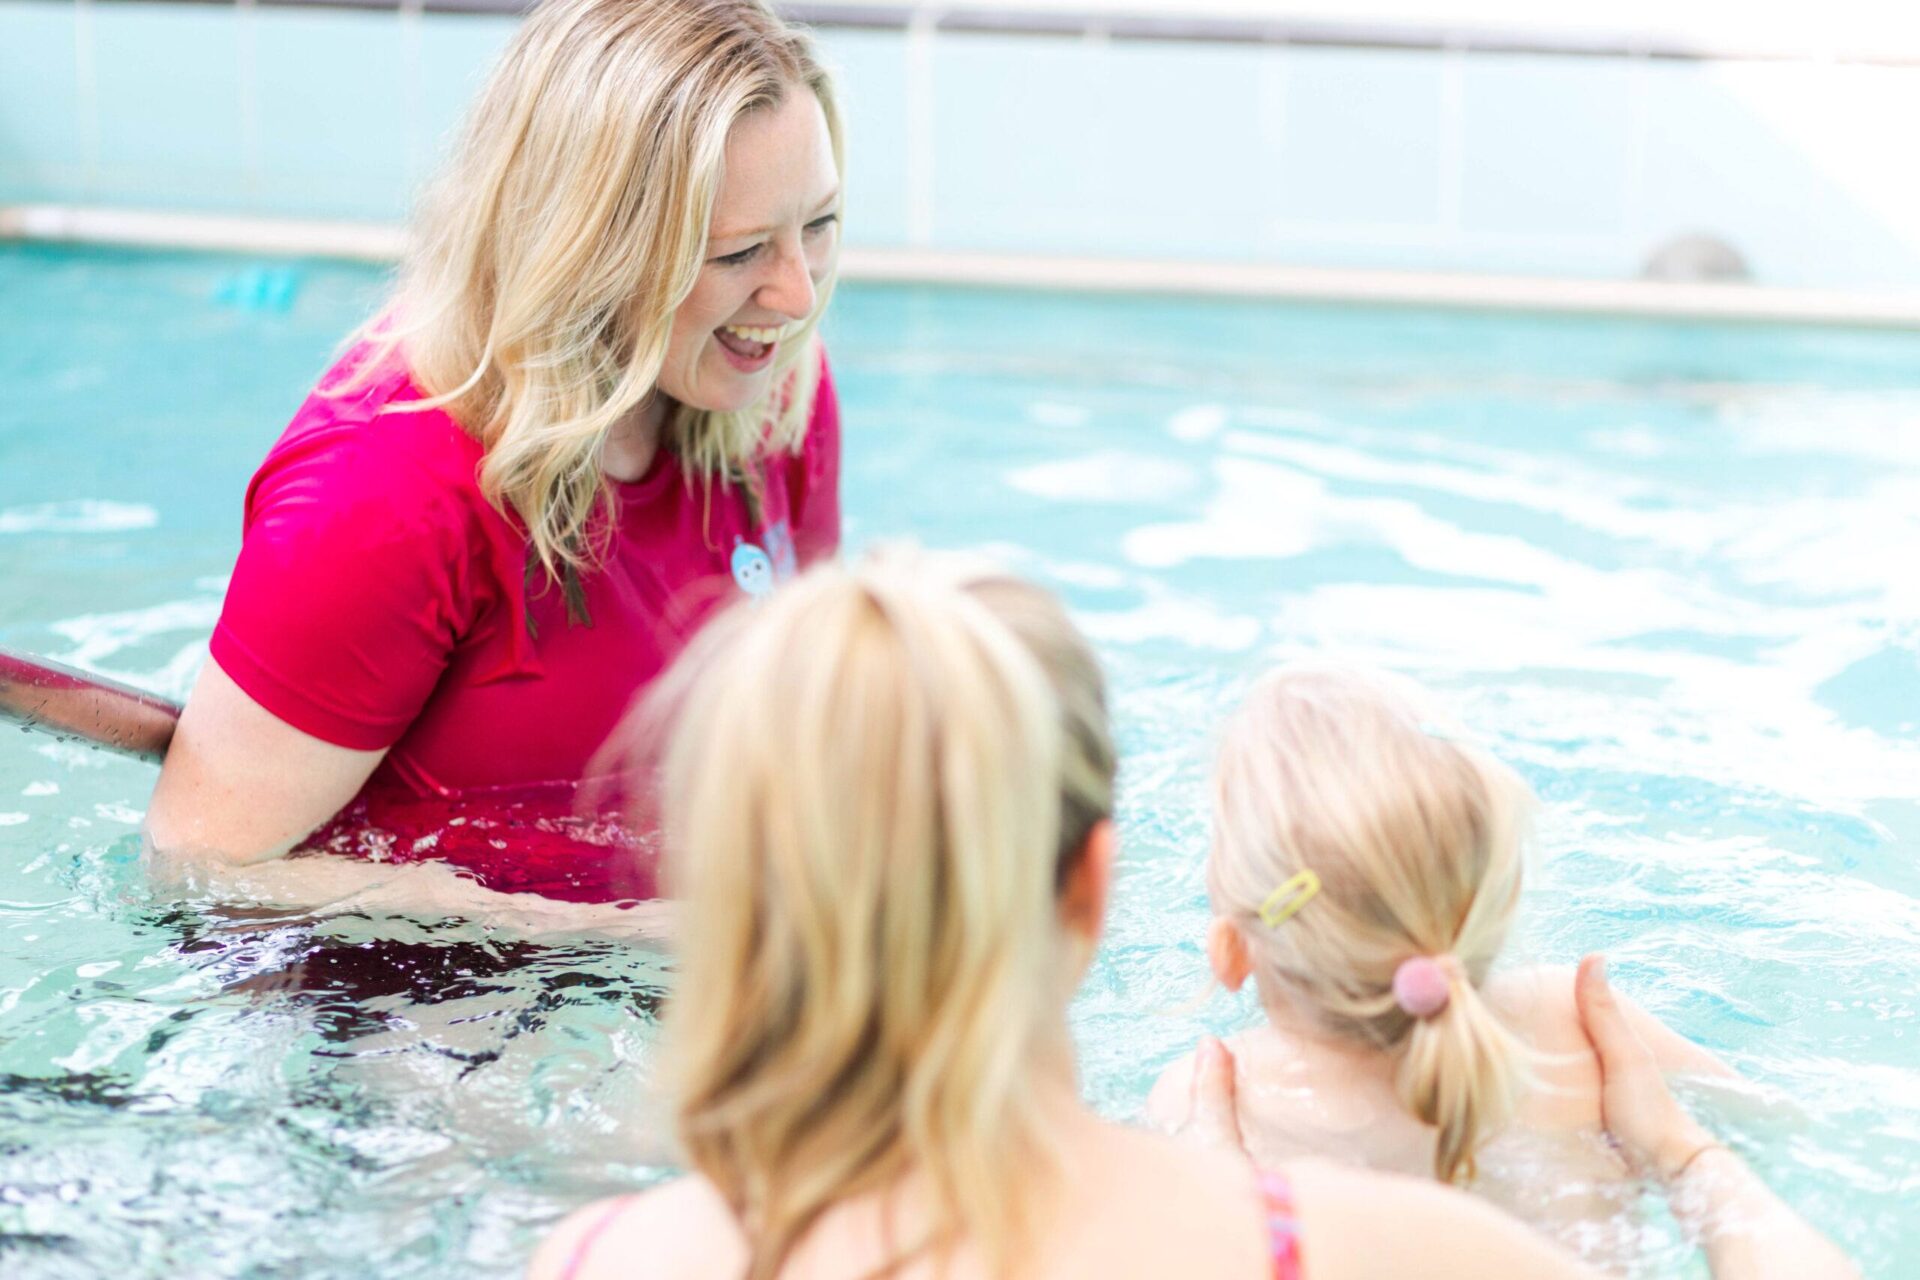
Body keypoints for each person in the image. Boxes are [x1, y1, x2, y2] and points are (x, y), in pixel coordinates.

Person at [531, 550, 1705, 1280]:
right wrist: (1682, 1151)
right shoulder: (1402, 1250)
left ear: (731, 904)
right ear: (1094, 884)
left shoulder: (585, 1257)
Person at [144, 0, 845, 905]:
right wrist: (636, 937)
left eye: (819, 224)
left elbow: (805, 721)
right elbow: (200, 869)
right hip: (418, 1006)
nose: (795, 295)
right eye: (743, 251)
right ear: (590, 250)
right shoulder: (379, 493)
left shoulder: (770, 390)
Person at [1147, 666, 1853, 1273]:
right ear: (1499, 899)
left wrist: (1227, 1230)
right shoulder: (1578, 1029)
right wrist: (1680, 1148)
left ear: (1230, 951)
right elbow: (1790, 1133)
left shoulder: (1211, 1106)